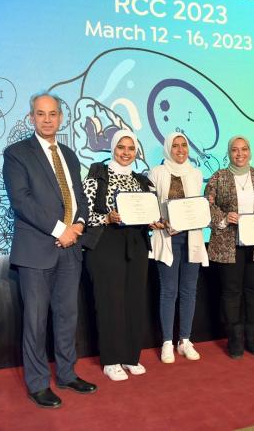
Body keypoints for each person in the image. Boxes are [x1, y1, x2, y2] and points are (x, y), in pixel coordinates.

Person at [3, 92, 97, 409]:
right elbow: (22, 200)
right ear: (31, 118)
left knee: (68, 317)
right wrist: (61, 229)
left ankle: (68, 374)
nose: (47, 119)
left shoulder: (69, 155)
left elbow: (79, 196)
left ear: (61, 117)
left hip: (71, 251)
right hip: (36, 252)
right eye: (40, 114)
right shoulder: (16, 154)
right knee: (36, 321)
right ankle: (38, 383)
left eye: (53, 113)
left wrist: (79, 225)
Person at [82, 129, 160, 381]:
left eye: (130, 149)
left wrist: (154, 222)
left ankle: (130, 357)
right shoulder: (98, 175)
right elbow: (83, 214)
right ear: (113, 149)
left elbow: (150, 212)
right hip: (107, 243)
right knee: (110, 302)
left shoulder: (142, 180)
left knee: (134, 301)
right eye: (120, 148)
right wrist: (107, 217)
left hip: (136, 244)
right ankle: (111, 360)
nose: (125, 153)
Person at [205, 135, 254, 359]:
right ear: (229, 153)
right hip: (229, 245)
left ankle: (253, 338)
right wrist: (224, 217)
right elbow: (207, 206)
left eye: (244, 149)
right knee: (231, 293)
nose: (240, 154)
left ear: (250, 152)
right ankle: (235, 340)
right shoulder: (218, 177)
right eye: (235, 150)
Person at [149, 133, 209, 364]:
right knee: (168, 291)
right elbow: (151, 205)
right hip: (166, 239)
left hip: (192, 238)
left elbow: (198, 205)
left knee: (188, 291)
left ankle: (184, 340)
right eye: (175, 146)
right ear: (168, 148)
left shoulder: (196, 173)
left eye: (184, 145)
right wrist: (158, 221)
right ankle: (166, 342)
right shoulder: (157, 173)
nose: (180, 149)